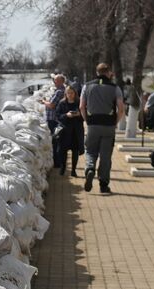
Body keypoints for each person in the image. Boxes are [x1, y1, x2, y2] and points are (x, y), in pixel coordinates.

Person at [79, 62, 125, 194]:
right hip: (108, 125)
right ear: (108, 72)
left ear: (97, 72)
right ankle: (104, 185)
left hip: (93, 123)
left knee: (90, 150)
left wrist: (87, 120)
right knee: (106, 156)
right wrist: (115, 121)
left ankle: (90, 169)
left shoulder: (87, 86)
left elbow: (82, 106)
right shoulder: (115, 88)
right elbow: (121, 109)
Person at [52, 86, 84, 177]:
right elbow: (57, 116)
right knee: (62, 151)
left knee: (75, 151)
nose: (70, 95)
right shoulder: (62, 103)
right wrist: (66, 115)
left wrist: (78, 114)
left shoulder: (79, 103)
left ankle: (74, 170)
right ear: (65, 94)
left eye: (72, 93)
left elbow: (84, 116)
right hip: (65, 131)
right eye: (68, 93)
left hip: (76, 131)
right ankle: (63, 167)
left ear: (75, 93)